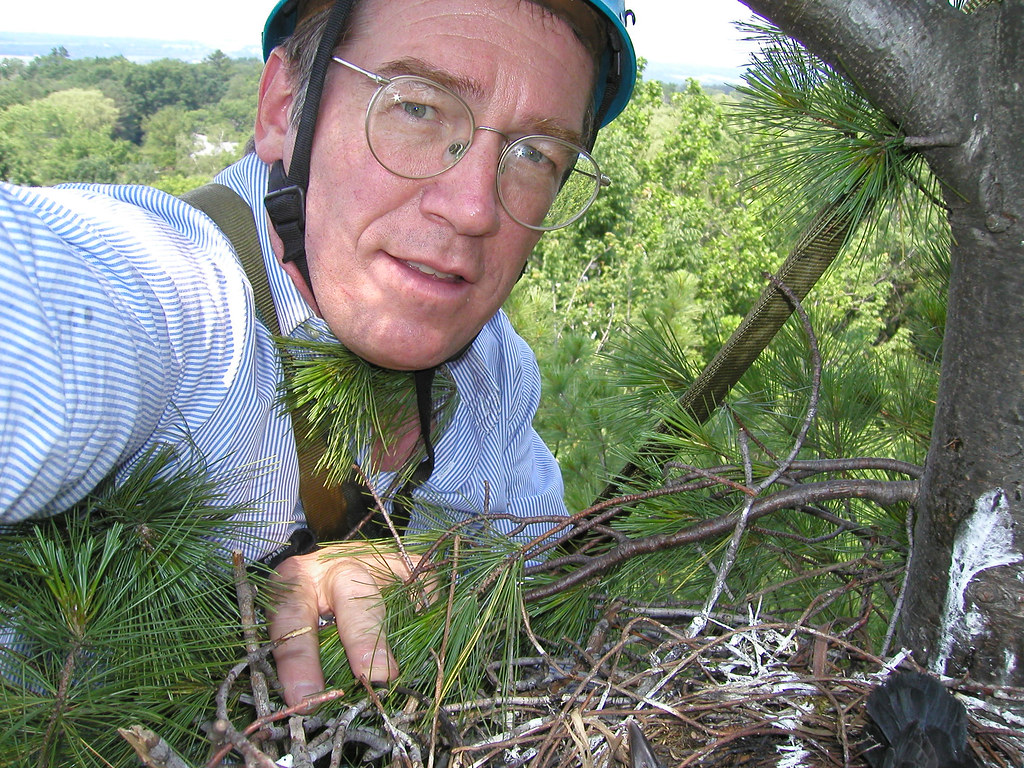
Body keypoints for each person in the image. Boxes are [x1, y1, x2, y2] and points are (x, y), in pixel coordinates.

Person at [0, 0, 636, 706]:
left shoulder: (495, 376)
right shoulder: (165, 293)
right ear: (281, 108)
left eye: (534, 154)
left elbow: (545, 592)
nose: (473, 208)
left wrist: (443, 577)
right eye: (419, 108)